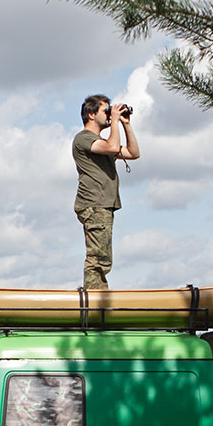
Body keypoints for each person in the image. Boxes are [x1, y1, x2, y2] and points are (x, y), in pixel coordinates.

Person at [72, 94, 140, 289]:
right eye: (106, 111)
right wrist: (116, 122)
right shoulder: (84, 139)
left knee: (104, 255)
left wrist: (126, 124)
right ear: (91, 114)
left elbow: (134, 153)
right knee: (98, 257)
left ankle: (97, 296)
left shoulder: (102, 142)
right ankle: (94, 299)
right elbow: (111, 146)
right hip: (94, 204)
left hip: (103, 205)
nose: (110, 115)